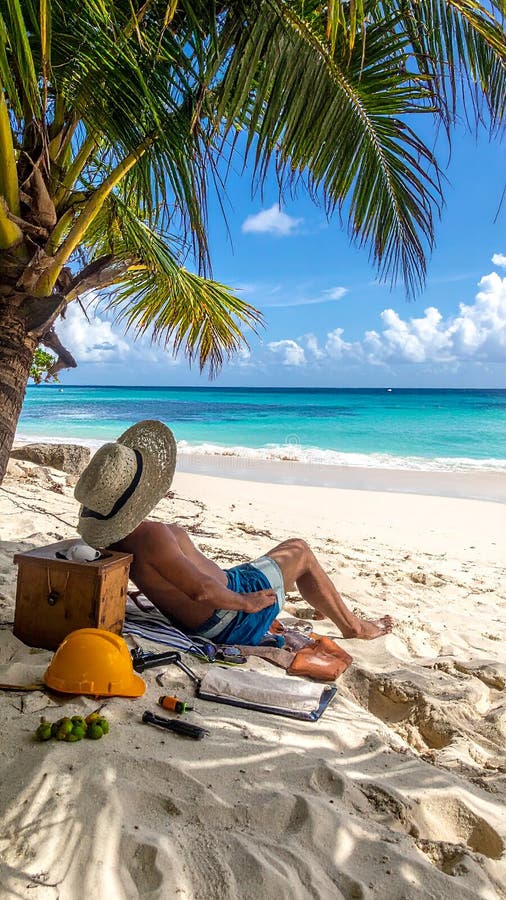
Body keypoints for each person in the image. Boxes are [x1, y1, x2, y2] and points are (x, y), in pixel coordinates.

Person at [74, 420, 393, 647]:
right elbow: (201, 590)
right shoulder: (151, 536)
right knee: (299, 550)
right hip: (228, 618)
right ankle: (354, 627)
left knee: (285, 557)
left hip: (219, 603)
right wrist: (245, 602)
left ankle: (326, 605)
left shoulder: (118, 540)